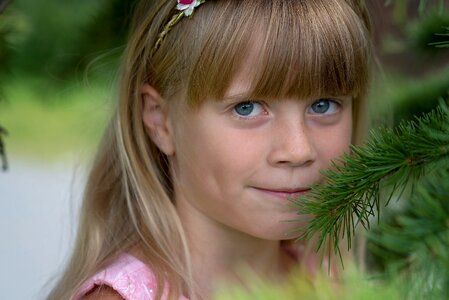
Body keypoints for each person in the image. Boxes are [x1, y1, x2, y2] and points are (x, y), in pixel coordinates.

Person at [47, 0, 373, 299]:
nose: (298, 149)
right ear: (160, 121)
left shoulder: (331, 282)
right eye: (246, 108)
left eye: (323, 105)